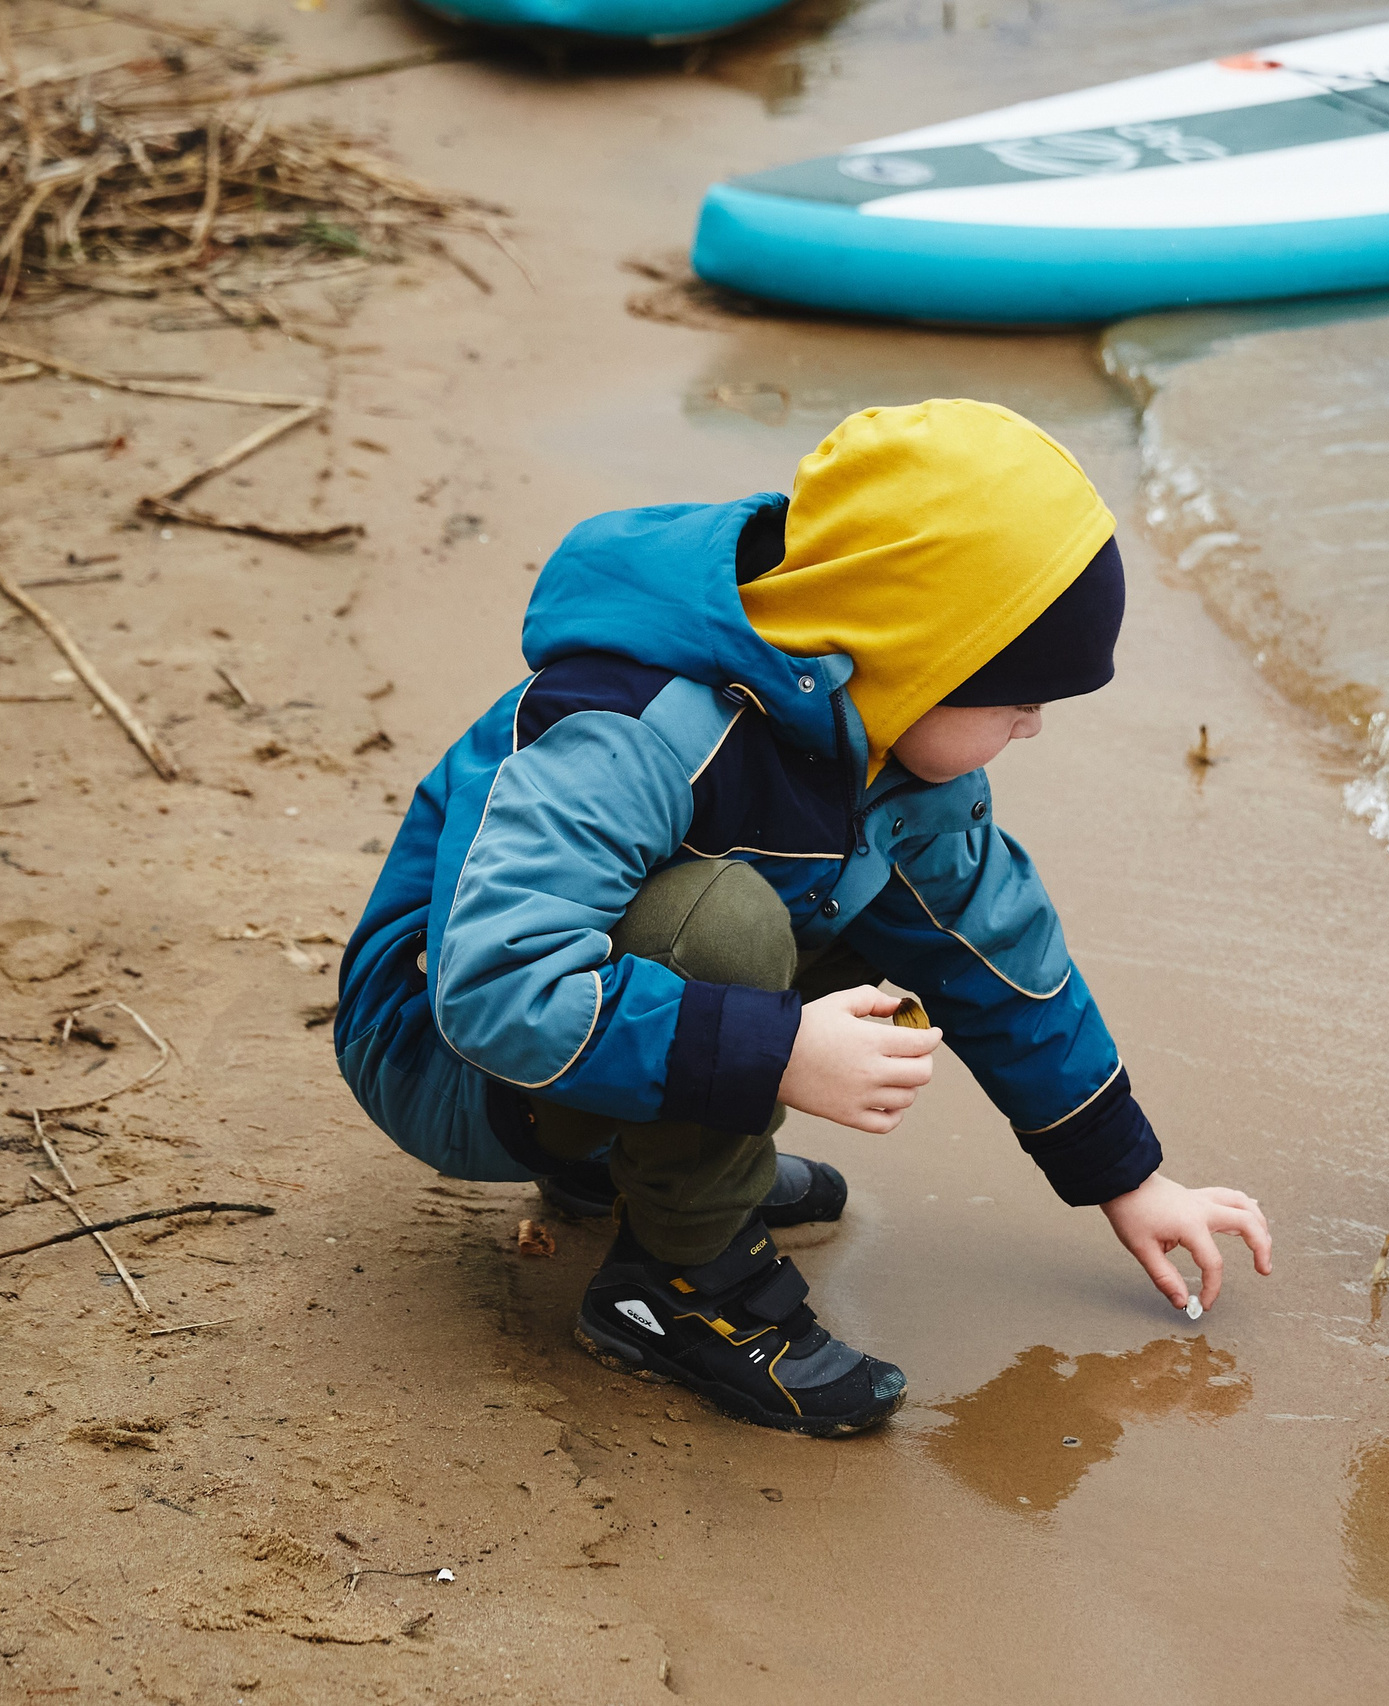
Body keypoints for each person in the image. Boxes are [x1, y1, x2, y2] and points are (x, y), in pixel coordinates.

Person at [331, 399, 1272, 1438]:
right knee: (722, 916)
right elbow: (498, 985)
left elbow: (993, 948)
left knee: (895, 912)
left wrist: (1126, 1173)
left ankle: (645, 1166)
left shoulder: (882, 745)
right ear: (913, 649)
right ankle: (678, 1287)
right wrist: (776, 1050)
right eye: (1013, 695)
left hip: (566, 1026)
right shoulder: (643, 725)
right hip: (442, 1045)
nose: (1032, 724)